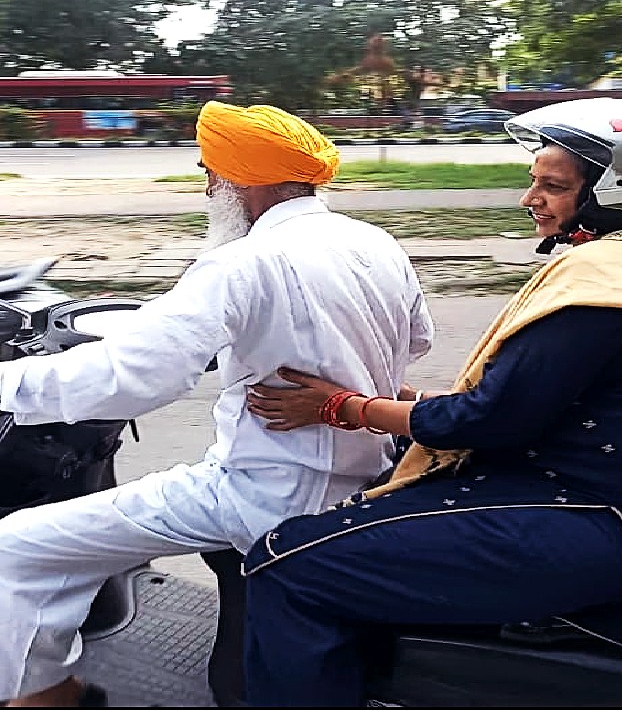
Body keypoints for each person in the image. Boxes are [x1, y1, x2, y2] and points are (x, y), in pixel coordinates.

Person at [243, 97, 622, 707]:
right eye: (535, 182)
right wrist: (411, 401)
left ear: (619, 192)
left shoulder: (611, 283)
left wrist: (343, 407)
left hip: (602, 518)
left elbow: (488, 420)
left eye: (552, 186)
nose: (531, 200)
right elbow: (554, 398)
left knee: (284, 563)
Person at [0, 101, 434, 707]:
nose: (208, 185)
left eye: (211, 172)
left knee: (16, 545)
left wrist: (10, 384)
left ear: (242, 182)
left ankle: (47, 697)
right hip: (364, 475)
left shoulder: (243, 261)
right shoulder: (372, 240)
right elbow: (418, 340)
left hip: (264, 491)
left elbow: (136, 374)